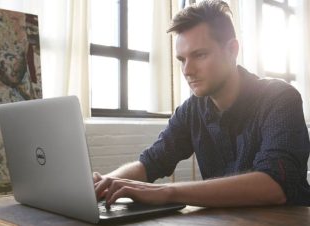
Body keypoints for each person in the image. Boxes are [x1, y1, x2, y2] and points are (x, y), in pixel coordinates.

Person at [94, 0, 310, 208]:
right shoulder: (191, 110)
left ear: (232, 50)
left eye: (199, 55)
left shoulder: (279, 98)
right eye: (182, 59)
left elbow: (275, 186)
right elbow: (150, 163)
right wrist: (104, 184)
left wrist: (167, 192)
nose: (187, 70)